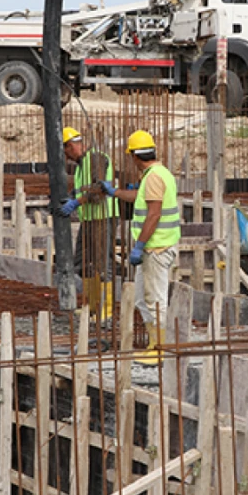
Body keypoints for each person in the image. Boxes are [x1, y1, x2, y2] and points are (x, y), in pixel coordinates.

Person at [99, 130, 180, 364]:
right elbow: (139, 197)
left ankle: (160, 349)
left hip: (156, 248)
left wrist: (140, 245)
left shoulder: (154, 177)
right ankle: (155, 344)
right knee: (141, 299)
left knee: (155, 299)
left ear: (135, 156)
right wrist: (115, 193)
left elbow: (153, 214)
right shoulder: (158, 173)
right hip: (153, 247)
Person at [57, 127, 119, 322]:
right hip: (89, 219)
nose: (67, 156)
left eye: (66, 151)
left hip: (103, 217)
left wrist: (75, 202)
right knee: (84, 261)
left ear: (72, 145)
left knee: (102, 262)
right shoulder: (81, 165)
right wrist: (73, 197)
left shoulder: (96, 158)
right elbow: (83, 188)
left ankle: (107, 310)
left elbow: (98, 190)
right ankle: (92, 306)